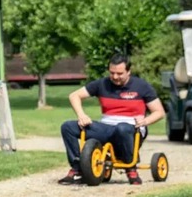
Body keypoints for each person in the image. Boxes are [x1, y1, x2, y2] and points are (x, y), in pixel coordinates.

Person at [59, 53, 165, 185]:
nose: (115, 77)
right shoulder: (102, 84)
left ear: (128, 71)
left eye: (119, 74)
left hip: (131, 128)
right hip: (106, 128)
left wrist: (145, 121)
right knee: (68, 127)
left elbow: (159, 112)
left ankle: (130, 167)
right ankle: (78, 167)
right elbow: (74, 96)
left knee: (122, 127)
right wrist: (81, 115)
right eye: (112, 73)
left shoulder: (142, 86)